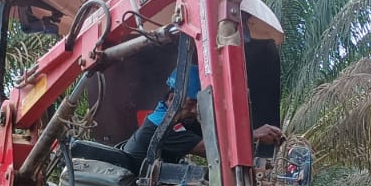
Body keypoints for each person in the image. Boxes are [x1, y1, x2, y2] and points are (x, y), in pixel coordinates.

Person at [120, 65, 283, 163]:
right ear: (172, 98)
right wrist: (253, 135)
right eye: (191, 103)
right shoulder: (163, 126)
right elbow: (211, 150)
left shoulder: (179, 120)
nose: (194, 110)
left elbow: (216, 136)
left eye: (197, 105)